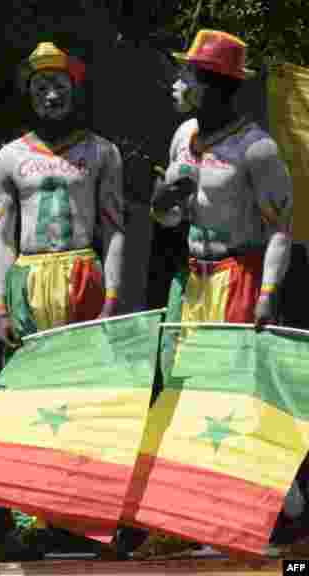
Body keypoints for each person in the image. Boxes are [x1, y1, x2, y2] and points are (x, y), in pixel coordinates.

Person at [144, 29, 294, 558]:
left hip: (240, 276)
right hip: (193, 281)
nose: (177, 84)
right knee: (188, 399)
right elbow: (168, 217)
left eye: (188, 76)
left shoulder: (257, 148)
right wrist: (163, 200)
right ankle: (212, 517)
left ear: (214, 86)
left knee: (234, 401)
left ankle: (273, 514)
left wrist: (267, 295)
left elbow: (281, 229)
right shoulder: (182, 135)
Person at [0, 41, 127, 558]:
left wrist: (111, 297)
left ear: (73, 90)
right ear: (29, 92)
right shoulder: (10, 156)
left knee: (88, 400)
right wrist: (1, 307)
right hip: (29, 280)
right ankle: (29, 519)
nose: (50, 94)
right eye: (41, 86)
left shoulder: (101, 152)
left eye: (59, 85)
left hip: (81, 273)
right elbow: (0, 241)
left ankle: (86, 516)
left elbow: (114, 230)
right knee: (28, 400)